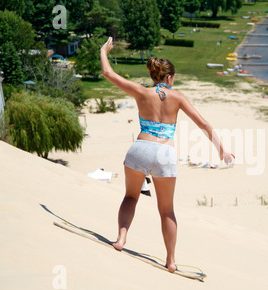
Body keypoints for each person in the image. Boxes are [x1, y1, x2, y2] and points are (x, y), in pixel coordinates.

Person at [100, 37, 234, 272]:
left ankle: (121, 239)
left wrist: (104, 51)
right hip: (164, 153)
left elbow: (108, 73)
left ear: (154, 75)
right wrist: (221, 149)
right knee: (166, 210)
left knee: (131, 197)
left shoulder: (141, 91)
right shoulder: (178, 97)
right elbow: (203, 124)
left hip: (140, 148)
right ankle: (170, 260)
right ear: (169, 78)